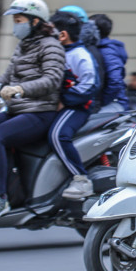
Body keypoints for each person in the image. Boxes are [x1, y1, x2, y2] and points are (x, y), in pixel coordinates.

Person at [0, 0, 65, 218]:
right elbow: (6, 77)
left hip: (40, 113)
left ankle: (0, 198)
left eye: (19, 20)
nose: (16, 26)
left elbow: (52, 79)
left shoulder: (51, 46)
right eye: (15, 21)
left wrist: (20, 89)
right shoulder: (23, 46)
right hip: (17, 110)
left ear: (35, 21)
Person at [48, 11, 99, 199]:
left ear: (62, 35)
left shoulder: (80, 55)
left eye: (51, 31)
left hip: (77, 107)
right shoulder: (57, 52)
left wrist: (65, 100)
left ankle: (81, 179)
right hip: (61, 104)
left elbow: (90, 86)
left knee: (58, 135)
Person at [90, 13, 129, 112]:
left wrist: (102, 101)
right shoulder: (101, 48)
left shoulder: (107, 52)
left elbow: (115, 80)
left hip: (113, 104)